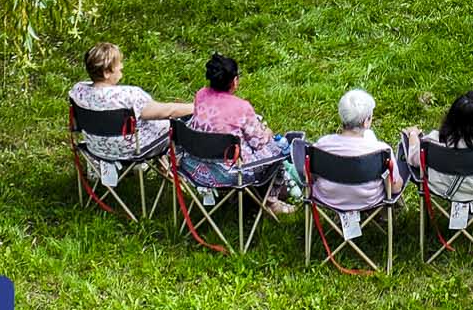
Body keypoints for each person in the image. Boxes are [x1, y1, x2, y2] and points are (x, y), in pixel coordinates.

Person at [180, 52, 299, 212]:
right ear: (234, 81)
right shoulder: (242, 107)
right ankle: (271, 201)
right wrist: (267, 132)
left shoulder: (201, 94)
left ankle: (237, 197)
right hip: (229, 171)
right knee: (278, 152)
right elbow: (258, 142)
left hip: (195, 165)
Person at [68, 41, 195, 166]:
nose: (121, 66)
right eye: (118, 63)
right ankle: (180, 163)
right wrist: (195, 107)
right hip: (132, 151)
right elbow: (167, 111)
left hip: (96, 149)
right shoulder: (129, 96)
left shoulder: (78, 91)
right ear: (106, 73)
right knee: (176, 123)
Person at [397, 90, 473, 205]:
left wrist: (413, 135)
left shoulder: (433, 142)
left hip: (442, 189)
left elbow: (414, 160)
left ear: (451, 117)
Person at [310, 88, 402, 213]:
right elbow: (394, 189)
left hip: (328, 198)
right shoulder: (381, 151)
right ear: (365, 122)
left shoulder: (321, 146)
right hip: (368, 201)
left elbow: (310, 177)